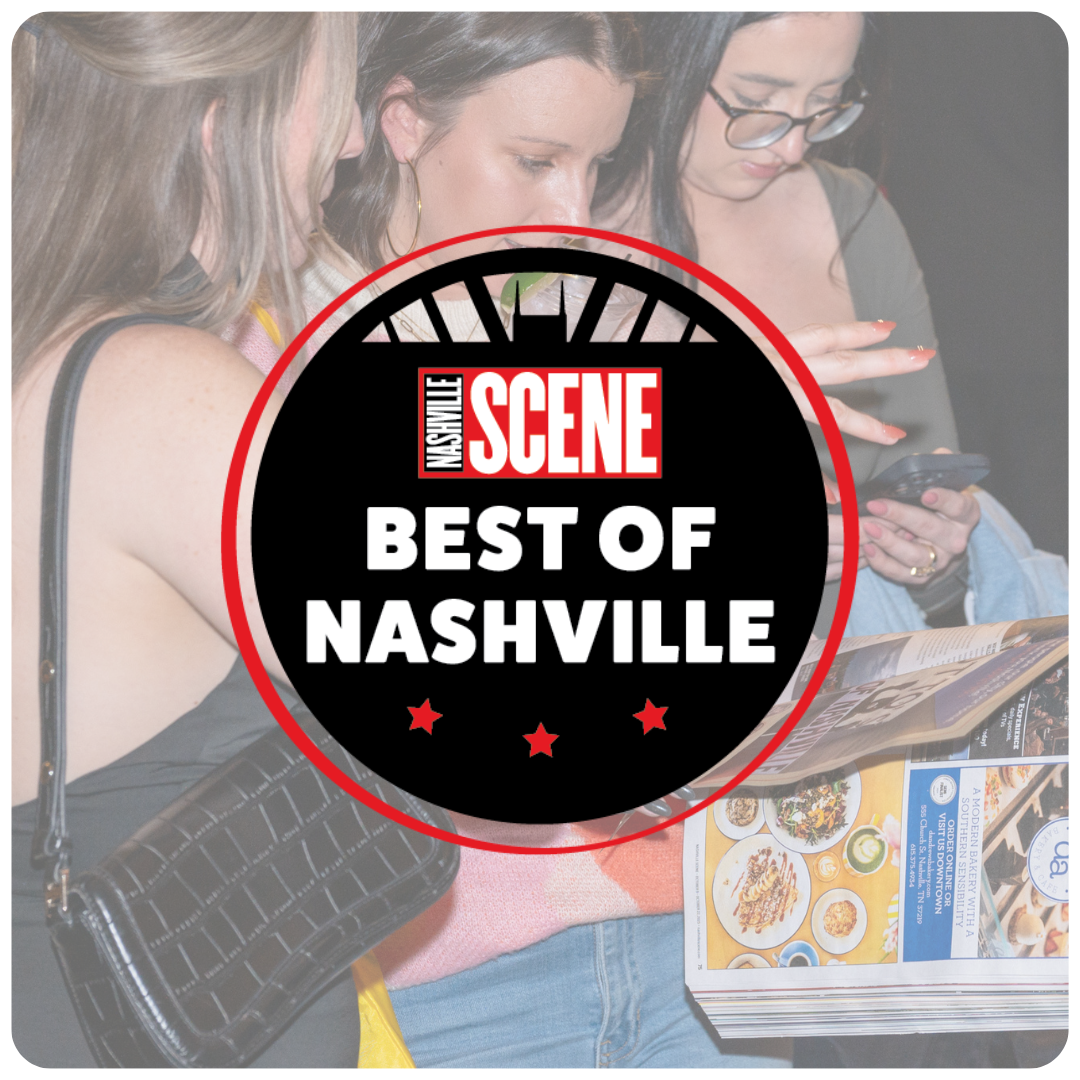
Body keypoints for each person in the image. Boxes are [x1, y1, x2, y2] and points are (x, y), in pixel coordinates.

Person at [219, 12, 945, 1071]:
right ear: (403, 122)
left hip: (691, 934)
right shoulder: (273, 321)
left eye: (598, 164)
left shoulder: (587, 305)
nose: (573, 209)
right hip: (454, 980)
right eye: (534, 160)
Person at [11, 11, 366, 1068]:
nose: (351, 144)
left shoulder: (54, 359)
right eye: (331, 93)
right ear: (222, 119)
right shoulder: (163, 388)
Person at [592, 10, 989, 635]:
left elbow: (922, 477)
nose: (792, 145)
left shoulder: (852, 216)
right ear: (666, 60)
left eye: (827, 104)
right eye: (756, 102)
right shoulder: (560, 234)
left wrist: (933, 553)